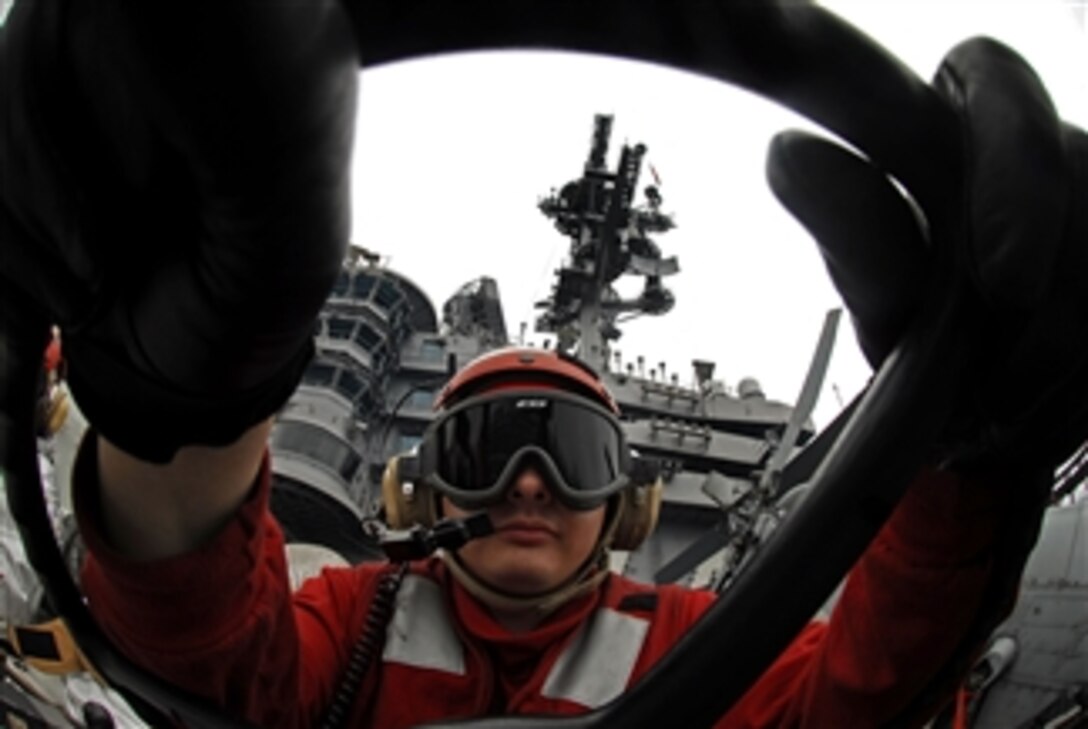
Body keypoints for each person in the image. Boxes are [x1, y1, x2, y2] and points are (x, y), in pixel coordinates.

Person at [2, 2, 1085, 728]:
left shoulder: (701, 641)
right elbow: (196, 637)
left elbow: (869, 694)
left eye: (569, 452)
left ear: (625, 506)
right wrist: (185, 399)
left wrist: (965, 465)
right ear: (415, 490)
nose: (529, 484)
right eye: (487, 446)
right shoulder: (351, 621)